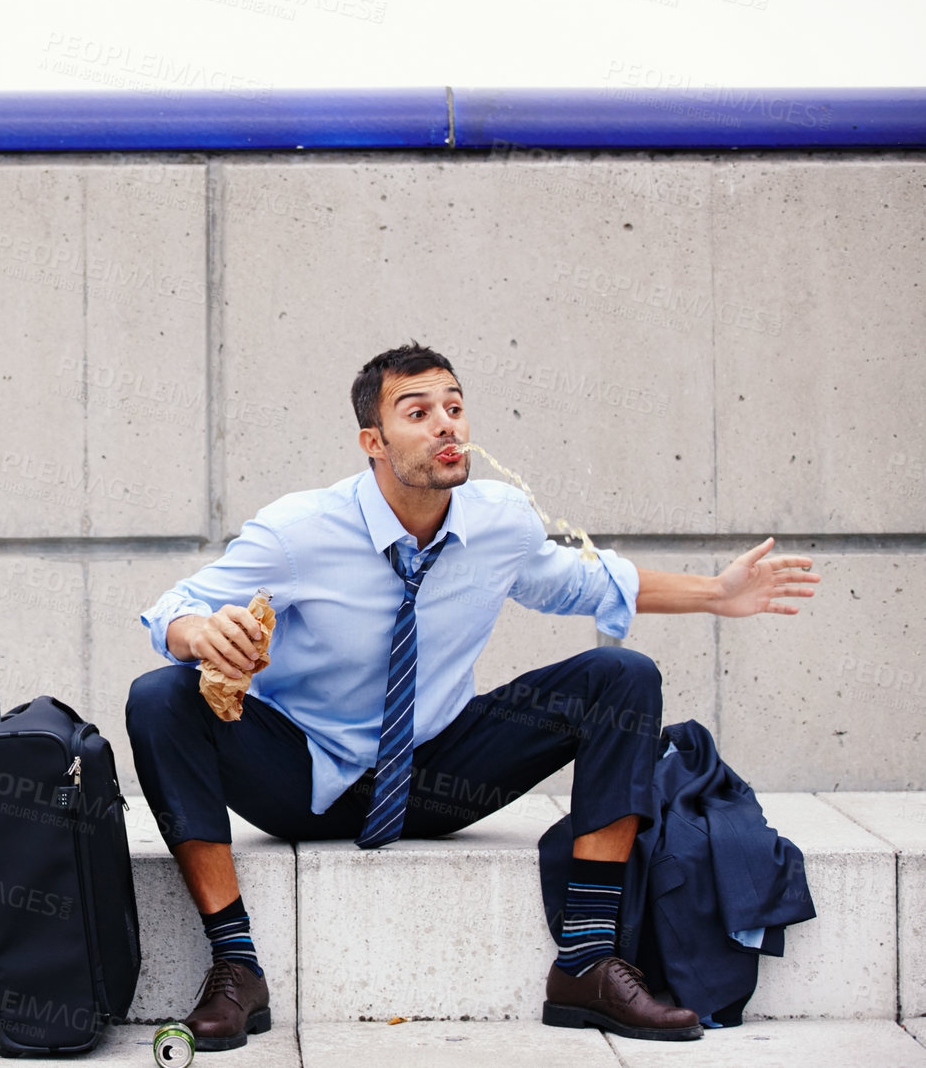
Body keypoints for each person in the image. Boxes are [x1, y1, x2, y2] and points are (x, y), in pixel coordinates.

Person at [127, 342, 820, 1049]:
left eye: (454, 408)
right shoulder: (300, 531)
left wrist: (717, 594)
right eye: (419, 412)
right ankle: (236, 966)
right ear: (373, 441)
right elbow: (170, 610)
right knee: (159, 697)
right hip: (303, 779)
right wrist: (200, 632)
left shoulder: (499, 522)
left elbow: (589, 582)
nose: (446, 426)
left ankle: (587, 962)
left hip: (438, 774)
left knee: (623, 676)